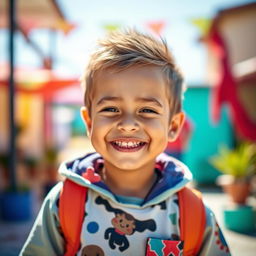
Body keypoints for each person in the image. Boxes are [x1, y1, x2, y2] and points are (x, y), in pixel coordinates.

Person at [20, 29, 230, 256]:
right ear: (89, 123)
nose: (128, 124)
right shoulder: (63, 204)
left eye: (147, 110)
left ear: (173, 127)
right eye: (110, 109)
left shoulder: (194, 214)